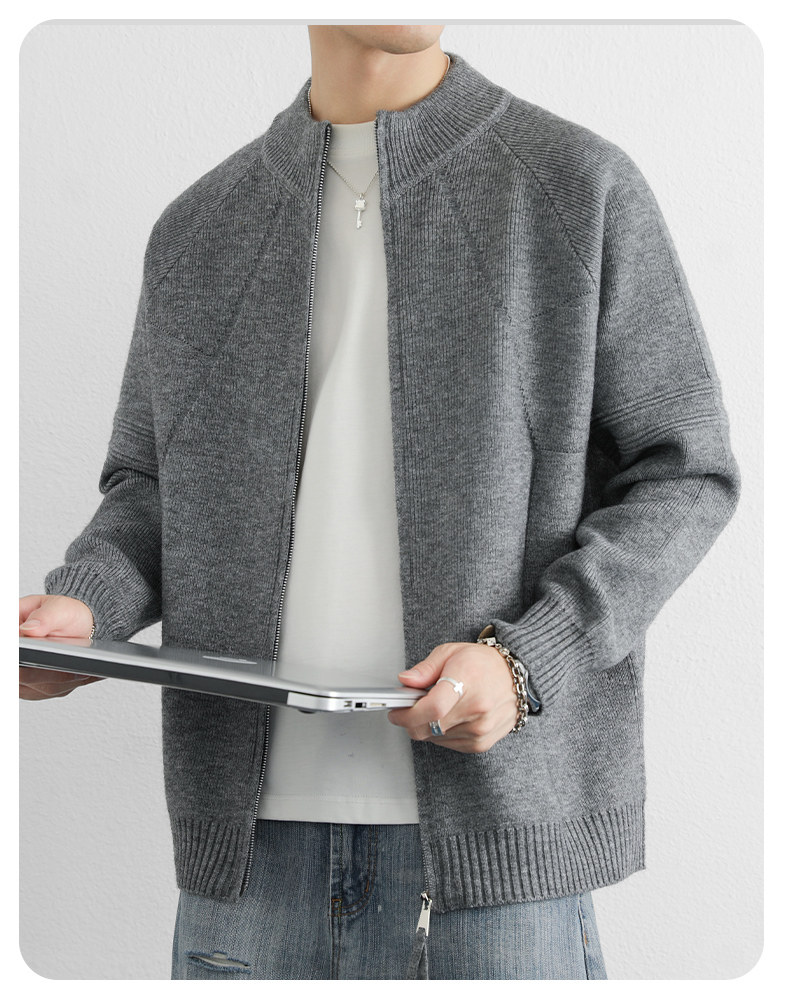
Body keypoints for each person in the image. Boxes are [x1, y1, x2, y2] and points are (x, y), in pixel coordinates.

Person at [19, 24, 741, 980]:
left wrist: (526, 662)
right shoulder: (199, 228)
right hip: (247, 867)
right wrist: (86, 606)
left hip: (498, 861)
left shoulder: (575, 186)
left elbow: (685, 472)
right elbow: (152, 488)